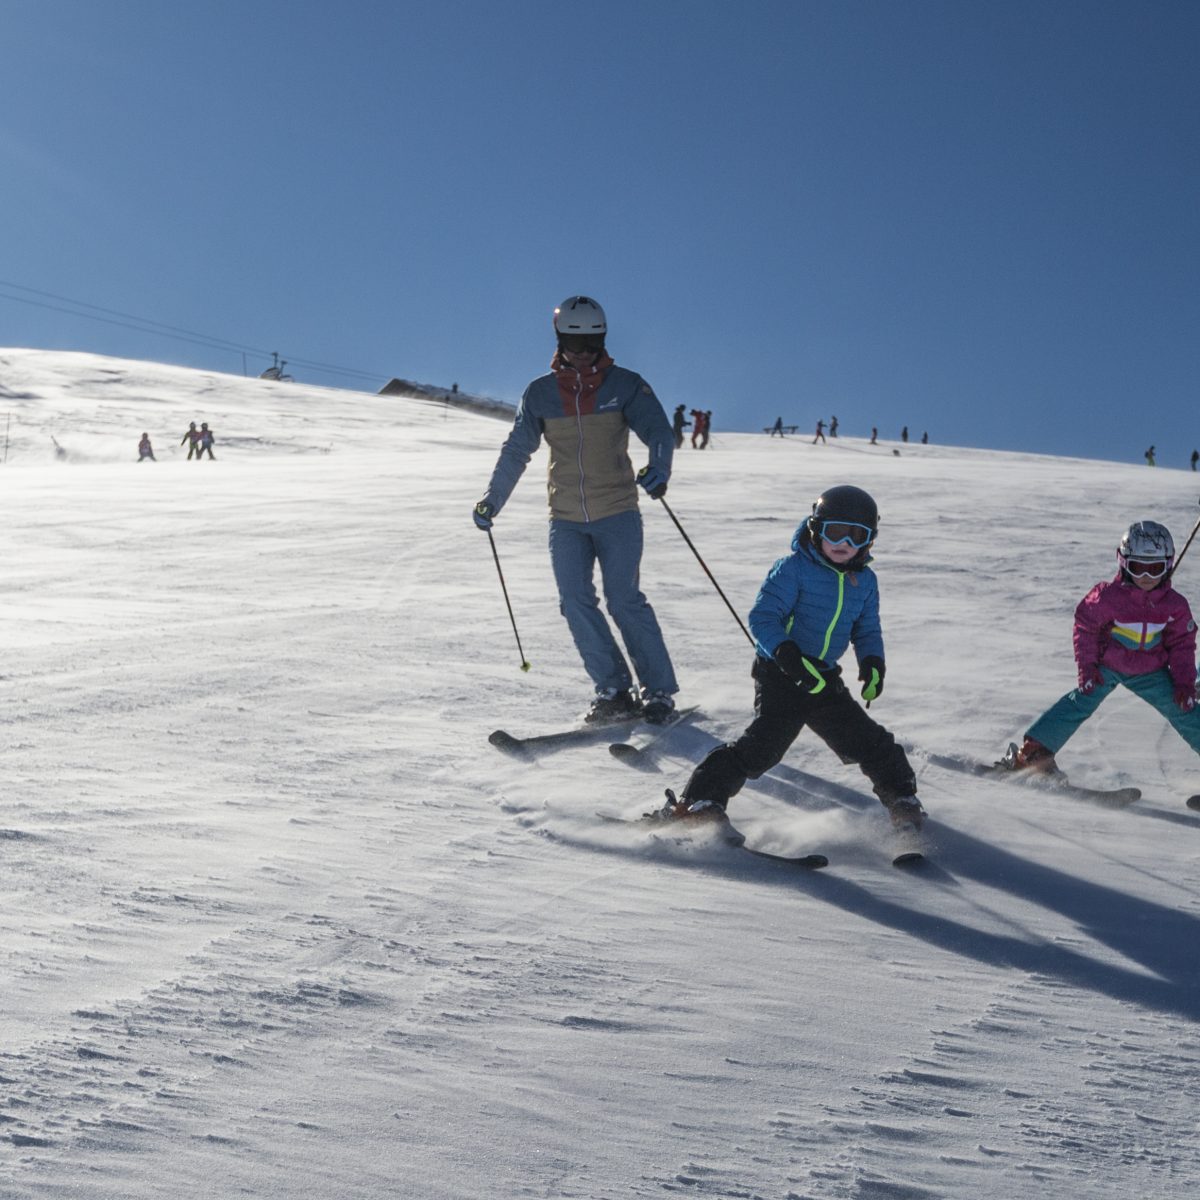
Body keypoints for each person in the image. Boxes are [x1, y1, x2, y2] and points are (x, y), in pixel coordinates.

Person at [652, 485, 924, 830]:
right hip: (781, 673)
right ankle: (698, 803)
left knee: (871, 742)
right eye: (834, 532)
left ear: (870, 540)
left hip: (823, 678)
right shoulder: (794, 568)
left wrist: (873, 662)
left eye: (857, 535)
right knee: (761, 749)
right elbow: (763, 617)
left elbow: (867, 629)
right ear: (815, 529)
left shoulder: (865, 581)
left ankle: (902, 800)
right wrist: (785, 653)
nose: (844, 543)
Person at [473, 295, 679, 725]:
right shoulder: (541, 394)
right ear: (559, 338)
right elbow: (517, 450)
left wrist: (659, 468)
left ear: (602, 340)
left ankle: (658, 690)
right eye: (573, 342)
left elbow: (659, 429)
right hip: (565, 518)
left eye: (592, 343)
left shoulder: (625, 385)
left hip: (618, 511)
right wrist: (493, 499)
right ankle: (614, 690)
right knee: (574, 600)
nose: (583, 353)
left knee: (624, 600)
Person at [1000, 521, 1198, 775]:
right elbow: (1086, 628)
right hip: (1109, 664)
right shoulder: (1108, 597)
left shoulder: (1174, 606)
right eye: (1138, 568)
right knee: (1080, 701)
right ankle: (1033, 753)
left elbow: (1182, 644)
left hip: (1150, 669)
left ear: (1168, 565)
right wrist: (1088, 667)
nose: (1146, 578)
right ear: (1124, 563)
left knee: (1185, 710)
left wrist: (1184, 683)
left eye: (1155, 569)